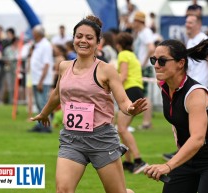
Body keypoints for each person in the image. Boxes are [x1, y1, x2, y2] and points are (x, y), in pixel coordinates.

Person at [30, 15, 147, 193]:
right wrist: (44, 113)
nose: (83, 40)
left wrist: (130, 109)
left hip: (101, 139)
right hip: (71, 139)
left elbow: (122, 100)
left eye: (89, 37)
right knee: (63, 190)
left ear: (98, 42)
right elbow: (56, 94)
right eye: (79, 36)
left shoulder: (106, 70)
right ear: (74, 38)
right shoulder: (64, 66)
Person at [143, 38, 208, 193]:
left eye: (162, 61)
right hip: (189, 157)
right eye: (154, 60)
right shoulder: (164, 86)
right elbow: (177, 117)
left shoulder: (195, 94)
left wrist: (168, 165)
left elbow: (198, 139)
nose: (156, 65)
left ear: (180, 63)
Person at [163, 13, 208, 160]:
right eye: (187, 22)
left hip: (198, 88)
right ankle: (184, 151)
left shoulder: (201, 39)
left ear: (199, 24)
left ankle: (197, 153)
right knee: (183, 123)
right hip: (187, 87)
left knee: (198, 126)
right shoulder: (190, 40)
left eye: (191, 22)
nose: (188, 25)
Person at [115, 32, 149, 174]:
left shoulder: (123, 55)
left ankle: (139, 160)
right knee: (121, 128)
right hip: (136, 90)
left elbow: (122, 76)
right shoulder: (133, 55)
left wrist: (109, 86)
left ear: (119, 45)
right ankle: (128, 162)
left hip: (130, 91)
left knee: (121, 128)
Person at [29, 25, 54, 133]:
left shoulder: (45, 45)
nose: (32, 34)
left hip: (42, 80)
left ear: (38, 34)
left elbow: (47, 64)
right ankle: (40, 125)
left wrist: (41, 81)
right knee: (39, 104)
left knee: (43, 103)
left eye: (33, 32)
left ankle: (46, 126)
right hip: (36, 79)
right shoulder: (38, 45)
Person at [132, 11, 155, 129]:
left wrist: (143, 63)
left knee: (145, 95)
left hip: (144, 67)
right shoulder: (140, 33)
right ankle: (147, 122)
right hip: (142, 66)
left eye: (134, 21)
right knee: (143, 94)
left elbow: (151, 49)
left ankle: (147, 122)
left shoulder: (146, 32)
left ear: (138, 21)